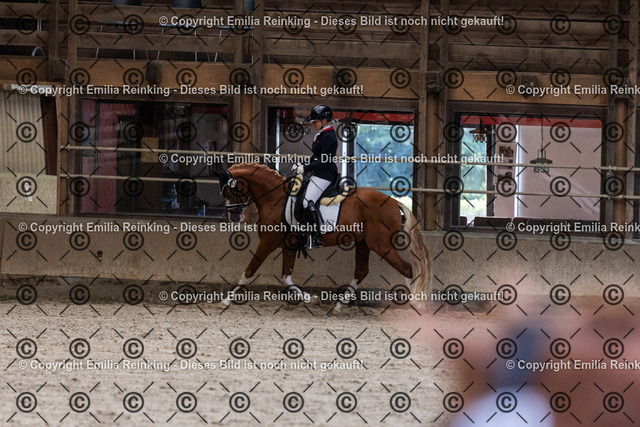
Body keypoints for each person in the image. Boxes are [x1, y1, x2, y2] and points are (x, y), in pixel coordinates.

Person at [291, 105, 338, 249]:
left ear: (324, 121)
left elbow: (324, 161)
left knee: (307, 201)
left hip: (325, 174)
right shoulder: (322, 134)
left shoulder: (329, 136)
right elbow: (316, 157)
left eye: (315, 121)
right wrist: (303, 164)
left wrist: (305, 168)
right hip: (318, 172)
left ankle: (317, 236)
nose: (313, 124)